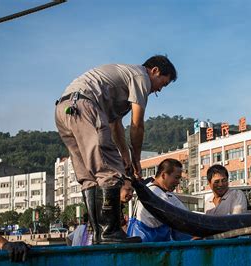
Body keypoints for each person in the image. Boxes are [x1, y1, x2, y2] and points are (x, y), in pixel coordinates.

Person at [55, 55, 177, 244]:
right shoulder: (140, 77)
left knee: (89, 178)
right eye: (163, 83)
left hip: (65, 109)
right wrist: (137, 158)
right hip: (86, 106)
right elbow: (137, 124)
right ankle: (109, 233)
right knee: (109, 171)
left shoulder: (121, 83)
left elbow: (116, 127)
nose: (159, 89)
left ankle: (99, 234)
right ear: (154, 71)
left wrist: (126, 157)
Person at [127, 158, 191, 242]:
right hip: (148, 245)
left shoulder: (160, 192)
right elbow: (180, 218)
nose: (178, 182)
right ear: (164, 175)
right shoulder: (155, 193)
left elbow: (185, 214)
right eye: (176, 177)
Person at [68, 179, 135, 246]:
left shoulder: (116, 207)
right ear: (117, 188)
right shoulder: (109, 206)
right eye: (128, 190)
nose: (131, 194)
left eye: (132, 191)